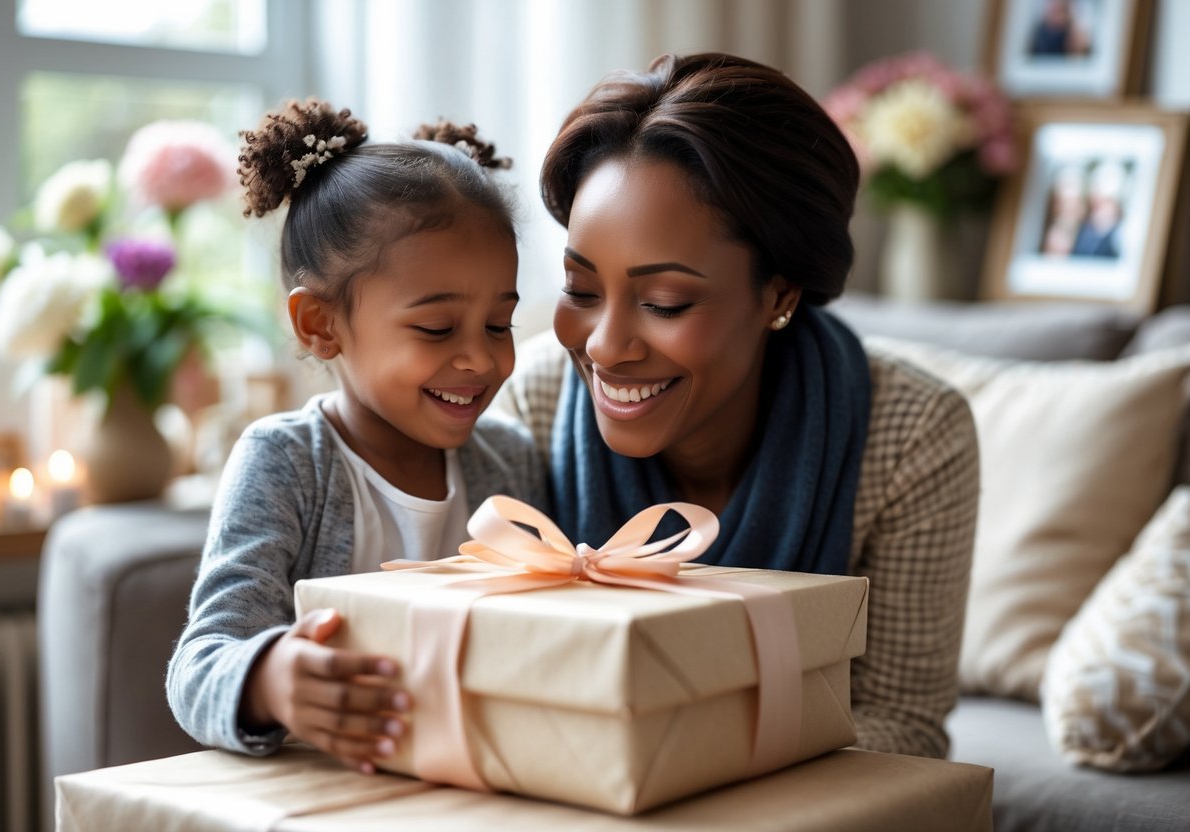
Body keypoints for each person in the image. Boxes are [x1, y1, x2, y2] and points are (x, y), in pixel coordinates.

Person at [498, 53, 980, 759]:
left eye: (663, 302)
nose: (603, 347)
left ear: (778, 296)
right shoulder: (537, 401)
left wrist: (671, 763)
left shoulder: (909, 433)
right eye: (579, 290)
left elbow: (902, 729)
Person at [167, 99, 546, 774]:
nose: (482, 361)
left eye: (498, 325)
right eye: (436, 329)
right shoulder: (284, 462)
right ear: (319, 324)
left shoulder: (511, 460)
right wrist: (270, 679)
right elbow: (199, 667)